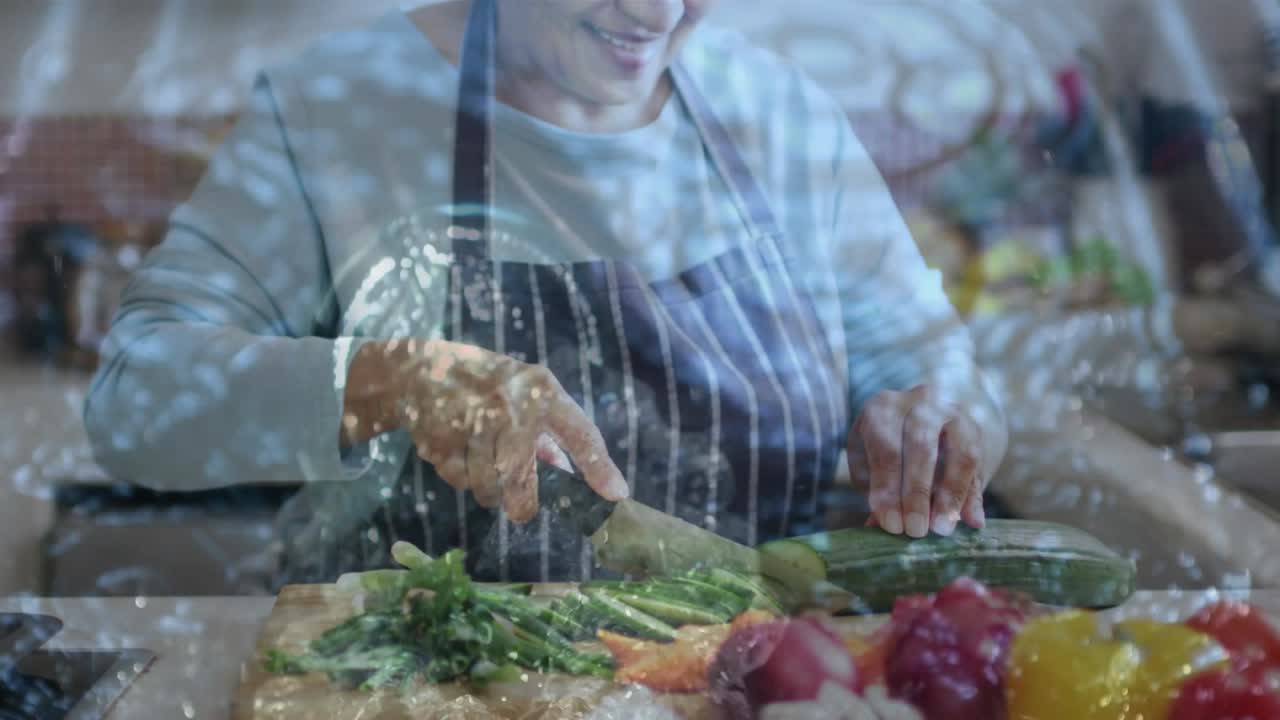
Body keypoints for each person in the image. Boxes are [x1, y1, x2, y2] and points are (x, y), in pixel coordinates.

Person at [83, 0, 1006, 584]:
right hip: (420, 688)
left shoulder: (779, 113)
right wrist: (393, 379)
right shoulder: (337, 108)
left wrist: (941, 417)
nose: (660, 10)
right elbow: (137, 398)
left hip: (744, 685)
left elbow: (927, 356)